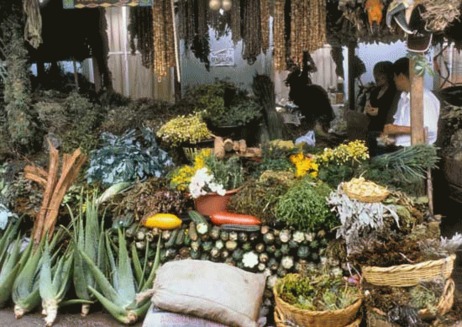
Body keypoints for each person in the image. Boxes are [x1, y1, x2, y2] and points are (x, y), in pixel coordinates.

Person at [382, 57, 440, 147]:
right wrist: (384, 141)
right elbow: (394, 129)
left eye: (394, 76)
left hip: (415, 152)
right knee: (373, 144)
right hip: (398, 150)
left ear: (401, 76)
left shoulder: (425, 98)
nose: (393, 80)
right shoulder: (403, 97)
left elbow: (429, 132)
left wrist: (398, 129)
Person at [364, 61, 399, 156]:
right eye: (375, 73)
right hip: (372, 130)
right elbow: (369, 109)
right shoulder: (375, 91)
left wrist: (379, 112)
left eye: (380, 74)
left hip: (386, 132)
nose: (377, 77)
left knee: (382, 156)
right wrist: (369, 110)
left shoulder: (394, 91)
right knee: (372, 156)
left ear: (388, 75)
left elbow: (393, 112)